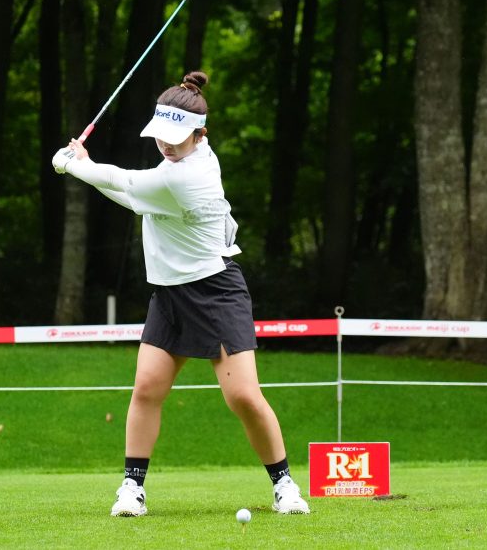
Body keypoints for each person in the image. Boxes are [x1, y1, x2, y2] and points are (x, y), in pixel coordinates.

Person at [52, 71, 311, 517]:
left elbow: (126, 183)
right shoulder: (174, 167)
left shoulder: (189, 176)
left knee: (243, 396)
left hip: (215, 291)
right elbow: (135, 198)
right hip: (169, 294)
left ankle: (284, 484)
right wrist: (85, 166)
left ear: (200, 135)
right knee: (146, 389)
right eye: (160, 136)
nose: (166, 146)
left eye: (176, 139)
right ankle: (132, 488)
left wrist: (72, 165)